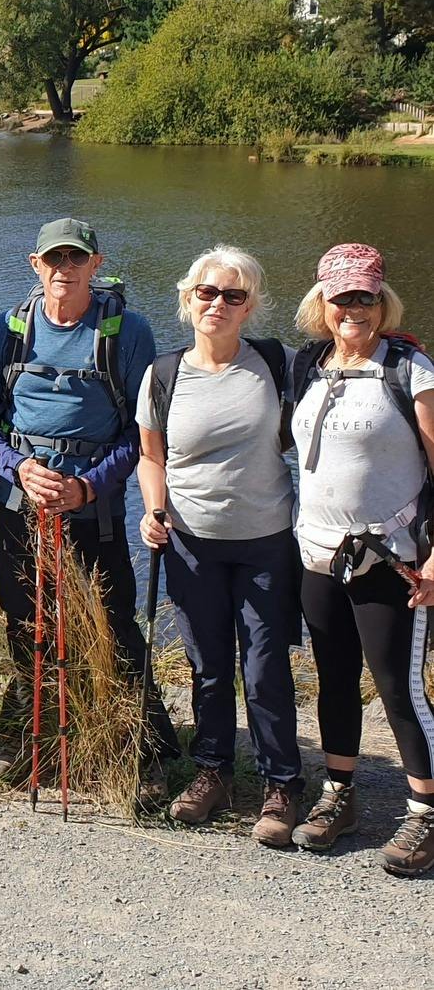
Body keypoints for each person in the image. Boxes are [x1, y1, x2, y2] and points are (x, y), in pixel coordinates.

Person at [0, 218, 180, 794]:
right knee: (25, 622)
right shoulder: (8, 330)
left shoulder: (127, 332)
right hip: (20, 503)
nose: (63, 270)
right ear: (34, 265)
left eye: (75, 259)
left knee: (113, 624)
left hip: (93, 508)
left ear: (96, 263)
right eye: (53, 260)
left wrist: (88, 487)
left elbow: (141, 438)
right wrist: (17, 467)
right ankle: (29, 731)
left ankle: (146, 746)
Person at [136, 246, 302, 845]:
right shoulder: (162, 374)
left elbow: (347, 367)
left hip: (265, 541)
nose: (218, 304)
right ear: (188, 297)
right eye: (207, 292)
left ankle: (281, 783)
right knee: (207, 667)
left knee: (264, 666)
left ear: (251, 305)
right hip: (191, 543)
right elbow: (151, 457)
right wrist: (154, 511)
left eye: (233, 296)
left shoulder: (277, 363)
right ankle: (213, 773)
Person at [287, 243, 434, 877]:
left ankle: (425, 812)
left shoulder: (410, 369)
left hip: (391, 558)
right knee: (334, 678)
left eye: (364, 296)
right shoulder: (307, 366)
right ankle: (338, 793)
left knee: (401, 689)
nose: (353, 307)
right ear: (321, 302)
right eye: (341, 296)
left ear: (382, 302)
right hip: (318, 554)